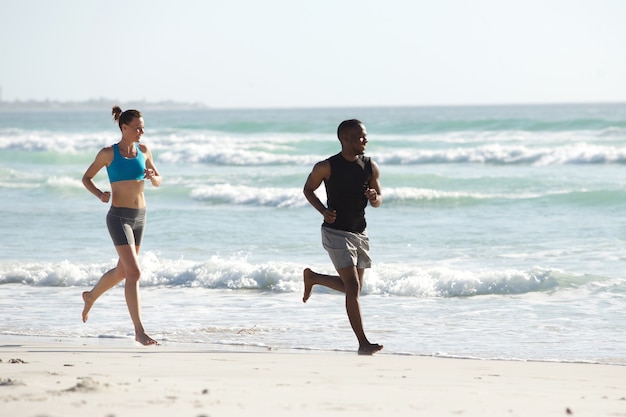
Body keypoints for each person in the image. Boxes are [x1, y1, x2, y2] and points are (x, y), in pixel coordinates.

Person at [81, 106, 162, 346]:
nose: (141, 132)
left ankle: (91, 296)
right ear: (123, 127)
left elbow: (158, 180)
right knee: (134, 273)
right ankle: (139, 331)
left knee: (123, 272)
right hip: (118, 217)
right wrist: (99, 194)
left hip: (140, 216)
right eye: (137, 128)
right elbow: (86, 178)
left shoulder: (144, 150)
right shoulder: (108, 153)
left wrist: (152, 176)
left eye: (143, 128)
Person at [302, 119, 383, 355]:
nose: (365, 140)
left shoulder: (370, 166)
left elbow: (379, 200)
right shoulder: (326, 167)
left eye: (365, 136)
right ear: (345, 139)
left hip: (359, 231)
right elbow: (308, 189)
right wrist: (323, 211)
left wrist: (373, 197)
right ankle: (363, 343)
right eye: (360, 137)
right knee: (352, 286)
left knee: (354, 289)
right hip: (335, 231)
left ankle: (313, 277)